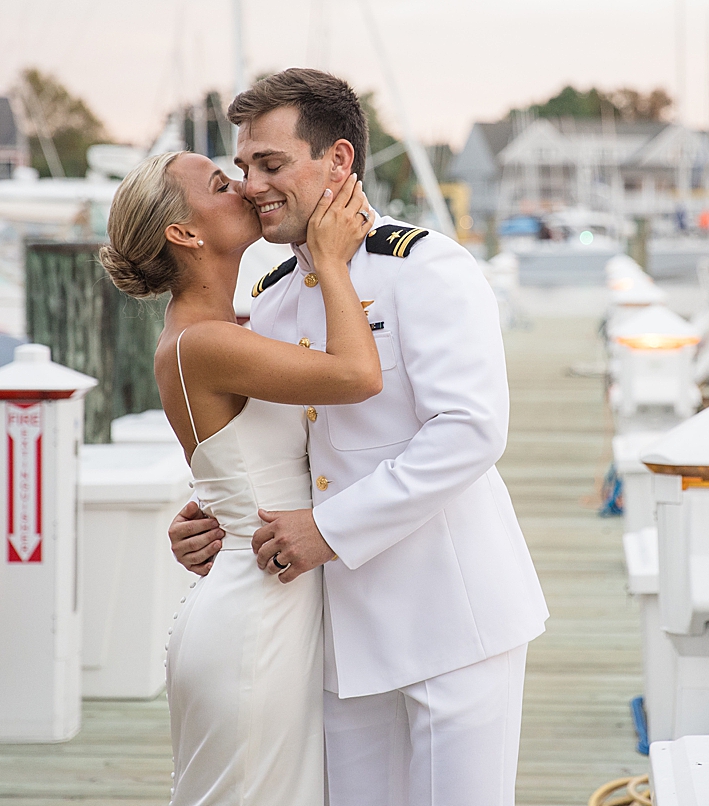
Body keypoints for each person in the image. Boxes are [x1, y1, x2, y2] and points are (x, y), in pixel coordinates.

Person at [168, 68, 549, 806]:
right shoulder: (271, 300)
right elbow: (276, 447)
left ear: (337, 161)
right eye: (244, 167)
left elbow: (470, 431)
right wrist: (206, 516)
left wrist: (329, 530)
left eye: (271, 164)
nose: (251, 185)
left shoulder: (425, 267)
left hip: (452, 621)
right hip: (337, 641)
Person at [100, 152, 378, 806]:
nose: (248, 188)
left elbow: (244, 460)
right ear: (185, 234)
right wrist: (332, 259)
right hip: (255, 615)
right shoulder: (205, 342)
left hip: (263, 596)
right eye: (222, 186)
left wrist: (210, 510)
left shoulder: (223, 331)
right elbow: (359, 377)